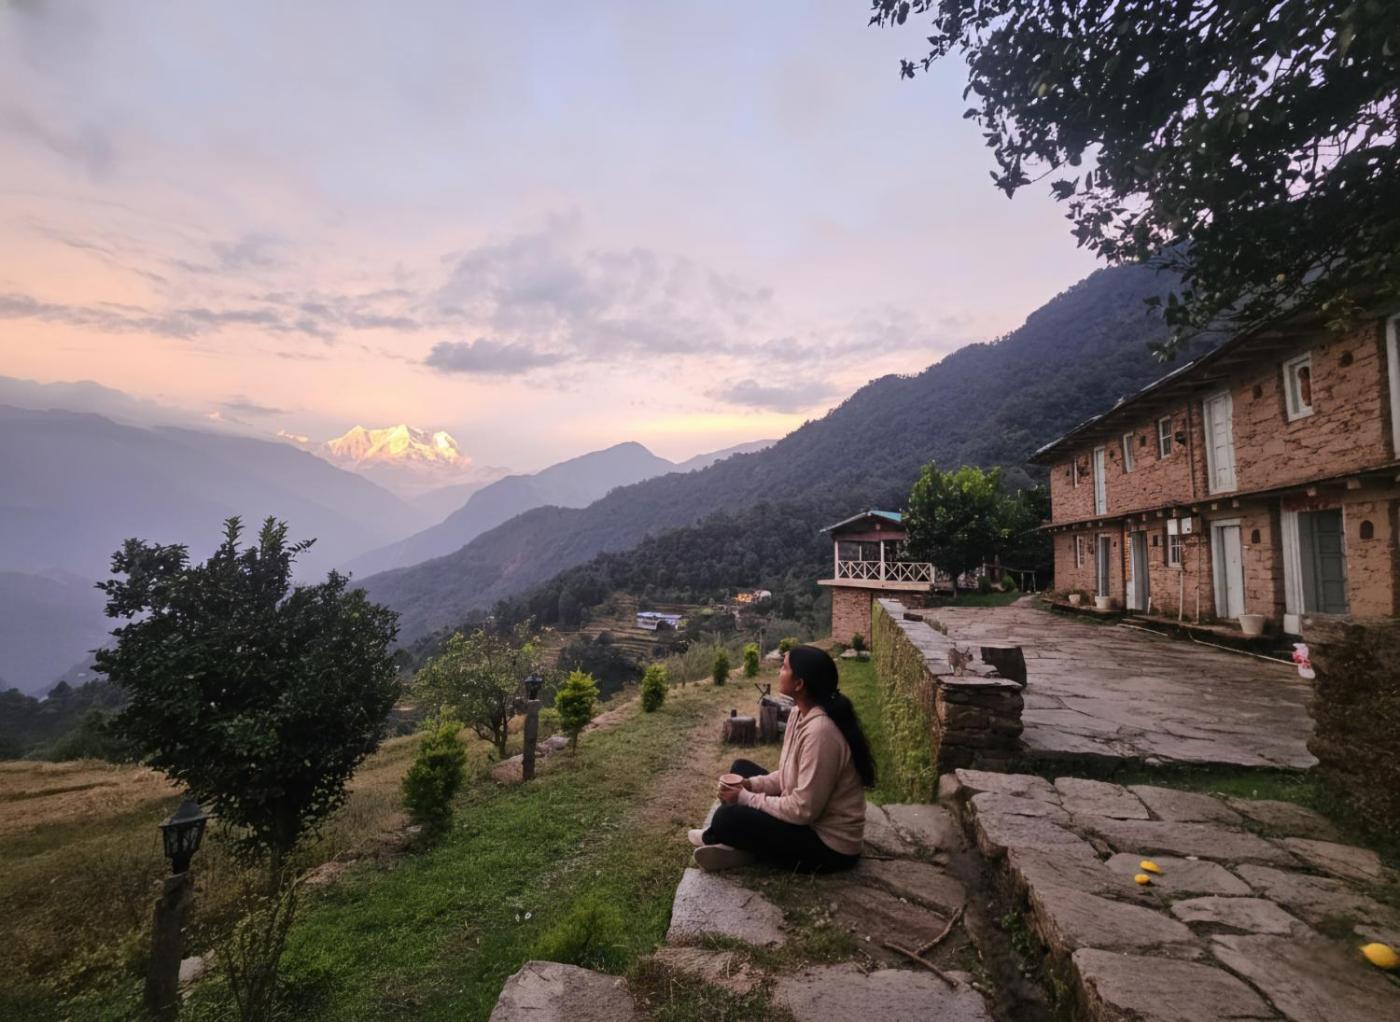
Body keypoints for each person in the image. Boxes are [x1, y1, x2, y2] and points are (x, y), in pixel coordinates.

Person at [689, 644, 875, 872]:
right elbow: (788, 776)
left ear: (799, 684)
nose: (779, 671)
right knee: (741, 768)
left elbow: (803, 810)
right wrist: (749, 785)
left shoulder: (821, 733)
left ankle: (723, 837)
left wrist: (746, 798)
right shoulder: (799, 713)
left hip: (829, 846)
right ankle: (740, 848)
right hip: (807, 820)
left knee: (726, 818)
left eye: (785, 667)